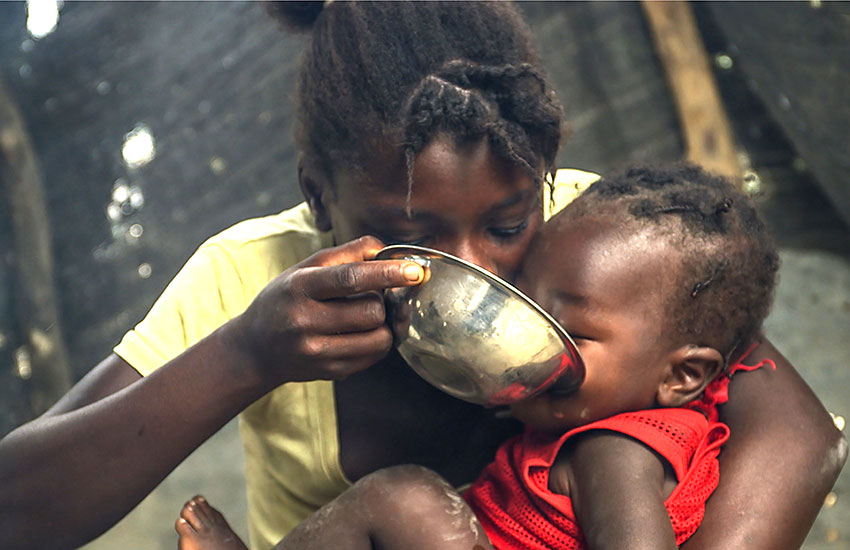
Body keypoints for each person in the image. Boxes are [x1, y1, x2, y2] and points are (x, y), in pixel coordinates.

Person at [0, 3, 843, 550]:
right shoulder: (248, 276)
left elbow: (801, 436)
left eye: (510, 226)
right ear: (316, 197)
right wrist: (244, 358)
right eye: (406, 234)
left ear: (545, 181)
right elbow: (17, 507)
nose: (470, 267)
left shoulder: (602, 236)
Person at [169, 163, 780, 550]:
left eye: (574, 331)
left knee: (408, 498)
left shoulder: (614, 451)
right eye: (533, 310)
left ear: (683, 375)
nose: (534, 338)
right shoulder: (618, 407)